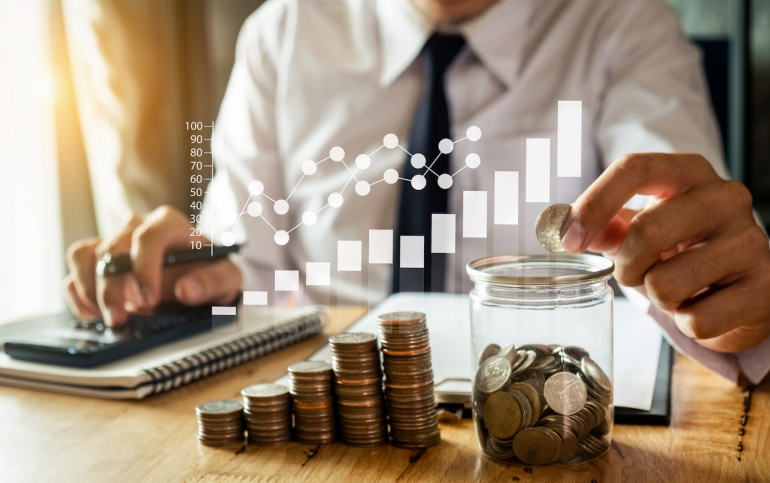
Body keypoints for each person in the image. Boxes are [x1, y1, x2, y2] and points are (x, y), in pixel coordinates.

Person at [63, 0, 770, 383]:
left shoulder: (626, 23)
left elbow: (687, 243)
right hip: (333, 430)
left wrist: (723, 299)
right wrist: (194, 278)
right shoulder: (281, 32)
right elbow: (249, 265)